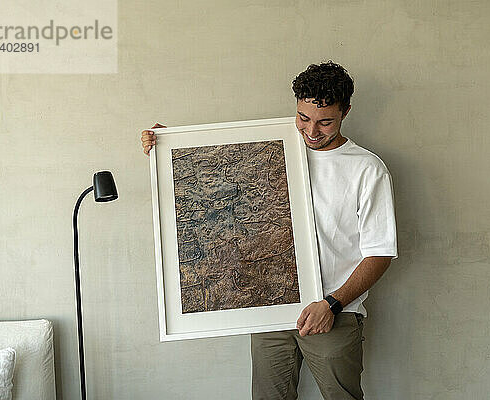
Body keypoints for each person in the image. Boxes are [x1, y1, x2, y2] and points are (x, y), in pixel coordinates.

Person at [141, 61, 398, 400]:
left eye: (325, 121)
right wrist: (170, 144)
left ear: (345, 111)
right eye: (303, 117)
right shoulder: (271, 149)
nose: (311, 131)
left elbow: (380, 253)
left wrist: (331, 305)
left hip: (334, 313)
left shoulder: (366, 168)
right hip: (270, 311)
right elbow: (218, 182)